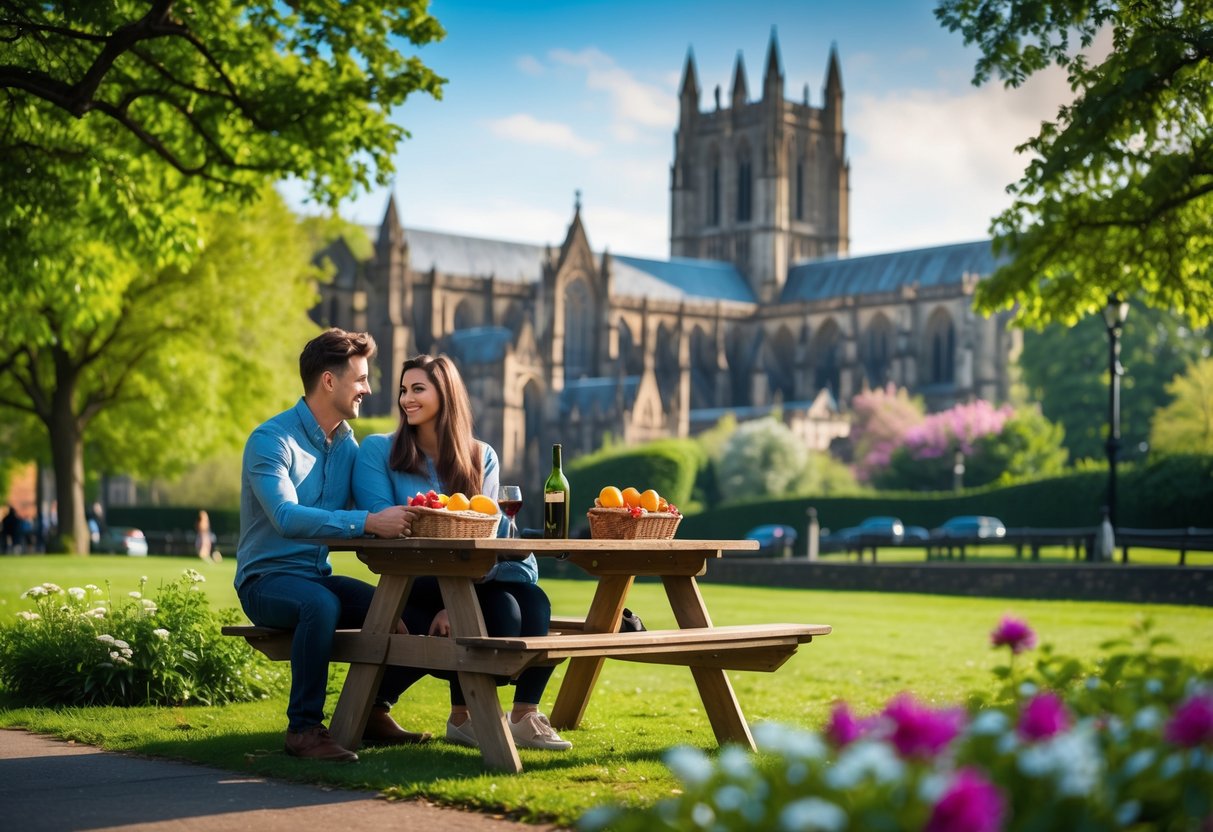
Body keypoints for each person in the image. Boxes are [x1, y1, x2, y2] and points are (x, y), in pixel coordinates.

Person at [353, 354, 572, 751]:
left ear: (447, 394)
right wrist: (450, 599)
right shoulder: (378, 451)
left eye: (418, 389)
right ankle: (464, 717)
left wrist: (457, 598)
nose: (407, 399)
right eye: (404, 390)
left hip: (474, 575)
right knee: (501, 614)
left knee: (534, 601)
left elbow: (487, 535)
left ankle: (523, 715)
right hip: (410, 578)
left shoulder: (481, 455)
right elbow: (385, 528)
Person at [235, 328, 430, 763]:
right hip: (266, 581)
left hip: (316, 577)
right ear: (329, 381)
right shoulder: (271, 441)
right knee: (318, 605)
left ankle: (375, 710)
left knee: (405, 615)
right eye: (360, 379)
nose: (368, 388)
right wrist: (367, 521)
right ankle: (303, 729)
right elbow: (285, 517)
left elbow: (373, 512)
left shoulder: (348, 447)